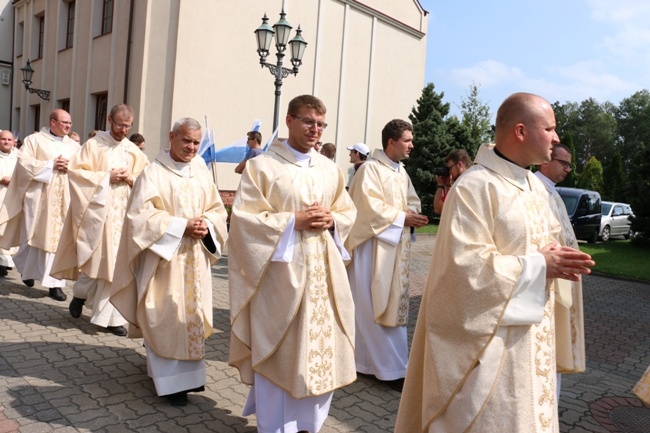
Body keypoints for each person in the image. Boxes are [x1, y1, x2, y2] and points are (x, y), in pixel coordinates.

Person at [395, 93, 595, 433]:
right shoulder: (474, 186)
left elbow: (540, 246)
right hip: (489, 350)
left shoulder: (534, 186)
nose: (556, 138)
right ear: (520, 131)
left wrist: (557, 260)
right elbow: (463, 268)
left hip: (532, 340)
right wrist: (538, 265)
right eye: (549, 129)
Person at [228, 95, 357, 433]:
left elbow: (348, 212)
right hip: (279, 279)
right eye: (308, 121)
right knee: (282, 353)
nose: (315, 129)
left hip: (323, 279)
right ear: (289, 121)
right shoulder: (263, 167)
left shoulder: (331, 170)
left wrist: (333, 220)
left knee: (320, 352)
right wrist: (292, 221)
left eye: (320, 124)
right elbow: (243, 221)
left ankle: (310, 426)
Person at [109, 117, 228, 406]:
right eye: (186, 140)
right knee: (163, 315)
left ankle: (190, 380)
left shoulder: (201, 172)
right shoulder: (153, 173)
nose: (191, 147)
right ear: (171, 137)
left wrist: (207, 226)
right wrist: (180, 226)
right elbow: (140, 217)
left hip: (195, 259)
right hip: (165, 260)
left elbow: (216, 209)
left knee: (189, 317)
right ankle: (169, 382)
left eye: (197, 142)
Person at [51, 104, 149, 337]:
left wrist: (130, 178)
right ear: (109, 120)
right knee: (96, 260)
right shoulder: (94, 145)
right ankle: (80, 294)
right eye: (119, 124)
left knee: (116, 264)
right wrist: (107, 177)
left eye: (128, 126)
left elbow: (146, 180)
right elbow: (76, 174)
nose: (123, 130)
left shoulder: (133, 150)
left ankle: (110, 318)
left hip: (123, 216)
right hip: (97, 214)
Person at [345, 119, 428, 391]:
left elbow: (411, 200)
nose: (411, 145)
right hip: (372, 248)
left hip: (394, 248)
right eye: (407, 140)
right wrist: (401, 217)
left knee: (388, 306)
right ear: (391, 142)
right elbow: (366, 207)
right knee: (371, 307)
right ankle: (388, 369)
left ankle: (372, 364)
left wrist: (412, 214)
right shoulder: (370, 169)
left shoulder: (400, 172)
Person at [0, 109, 79, 301]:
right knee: (32, 237)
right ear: (52, 122)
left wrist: (70, 167)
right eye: (64, 122)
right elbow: (24, 164)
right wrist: (50, 165)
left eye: (70, 123)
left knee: (58, 241)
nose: (68, 126)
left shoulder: (74, 145)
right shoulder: (34, 141)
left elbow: (82, 167)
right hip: (39, 198)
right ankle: (26, 269)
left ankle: (55, 285)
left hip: (64, 200)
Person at [535, 143, 586, 396]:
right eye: (563, 163)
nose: (568, 168)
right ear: (546, 160)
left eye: (569, 164)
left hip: (560, 277)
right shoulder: (534, 189)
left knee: (556, 342)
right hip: (546, 278)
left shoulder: (551, 191)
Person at [0, 130, 18, 277]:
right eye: (3, 139)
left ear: (14, 141)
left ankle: (7, 260)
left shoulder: (19, 156)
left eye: (9, 140)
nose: (6, 142)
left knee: (10, 228)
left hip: (14, 198)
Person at [433, 149, 471, 214]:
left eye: (450, 168)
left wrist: (440, 185)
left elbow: (438, 208)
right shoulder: (471, 180)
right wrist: (448, 185)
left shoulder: (460, 185)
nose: (450, 172)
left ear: (459, 164)